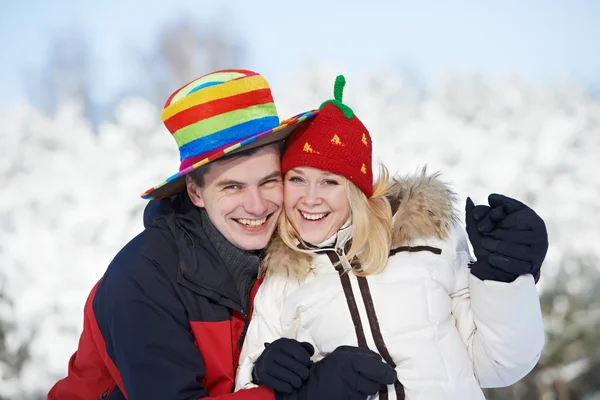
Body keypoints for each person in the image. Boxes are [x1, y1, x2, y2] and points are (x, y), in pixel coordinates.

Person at [48, 69, 397, 399]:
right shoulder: (142, 277)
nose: (257, 206)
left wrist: (266, 370)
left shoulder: (292, 250)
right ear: (195, 192)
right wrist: (297, 394)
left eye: (269, 181)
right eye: (232, 187)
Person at [235, 75, 548, 400]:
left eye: (329, 182)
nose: (310, 198)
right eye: (297, 179)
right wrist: (264, 372)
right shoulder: (281, 280)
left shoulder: (430, 240)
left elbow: (499, 364)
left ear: (357, 190)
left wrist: (505, 281)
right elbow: (247, 388)